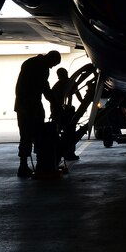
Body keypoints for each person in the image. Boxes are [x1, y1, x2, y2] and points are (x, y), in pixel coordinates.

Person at [14, 50, 61, 178]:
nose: (52, 67)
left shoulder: (29, 62)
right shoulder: (42, 67)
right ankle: (40, 163)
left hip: (22, 105)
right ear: (50, 60)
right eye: (53, 64)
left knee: (25, 135)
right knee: (37, 134)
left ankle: (23, 165)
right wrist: (55, 103)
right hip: (31, 106)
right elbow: (44, 87)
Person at [50, 67, 80, 161]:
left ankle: (59, 153)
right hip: (67, 113)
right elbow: (78, 96)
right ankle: (69, 153)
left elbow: (53, 102)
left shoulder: (56, 86)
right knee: (70, 132)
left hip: (58, 112)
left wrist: (53, 113)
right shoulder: (72, 83)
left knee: (58, 133)